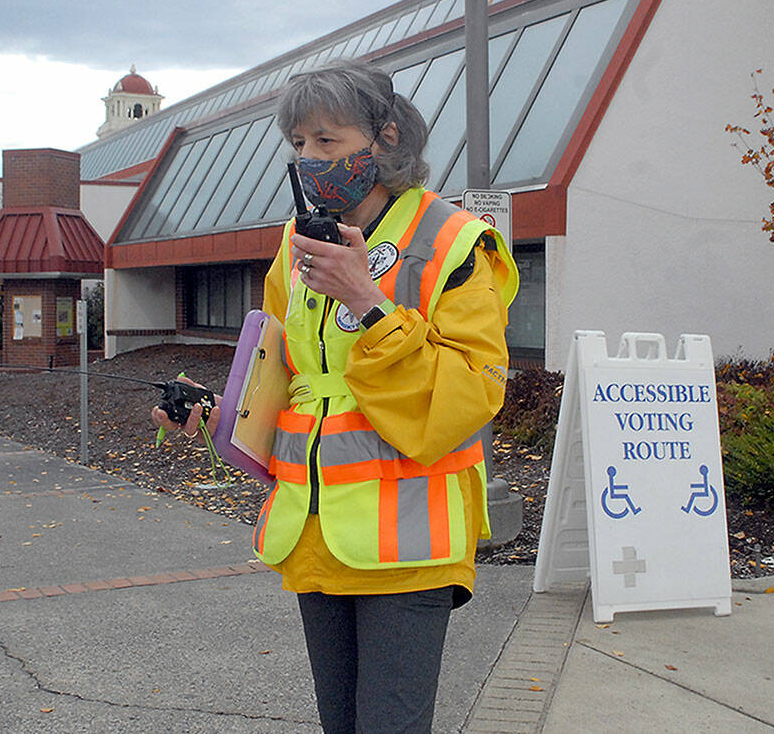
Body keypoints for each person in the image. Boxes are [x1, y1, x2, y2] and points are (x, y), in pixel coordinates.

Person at [152, 59, 517, 733]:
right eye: (298, 144)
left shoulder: (455, 243)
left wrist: (369, 302)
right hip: (315, 534)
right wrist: (211, 410)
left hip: (410, 542)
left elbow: (469, 396)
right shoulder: (297, 241)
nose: (310, 158)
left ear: (384, 138)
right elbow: (284, 375)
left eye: (328, 140)